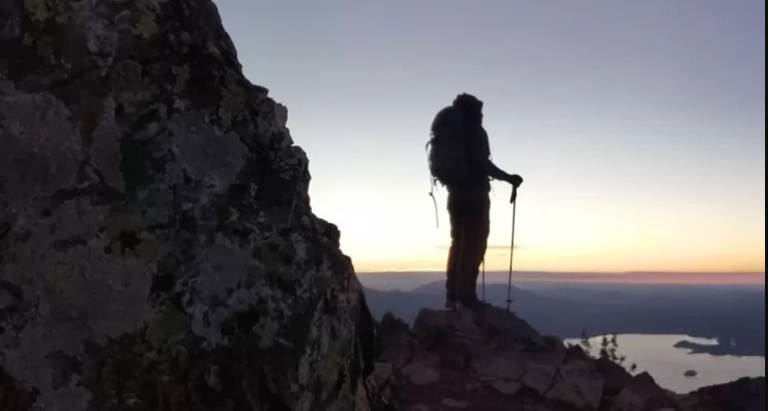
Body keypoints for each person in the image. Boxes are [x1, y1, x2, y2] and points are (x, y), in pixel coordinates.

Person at [429, 93, 523, 310]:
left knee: (458, 244)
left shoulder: (452, 133)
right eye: (479, 111)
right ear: (472, 112)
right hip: (474, 196)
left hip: (455, 196)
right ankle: (466, 297)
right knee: (474, 245)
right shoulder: (474, 132)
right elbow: (482, 165)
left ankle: (452, 295)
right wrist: (509, 178)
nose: (482, 116)